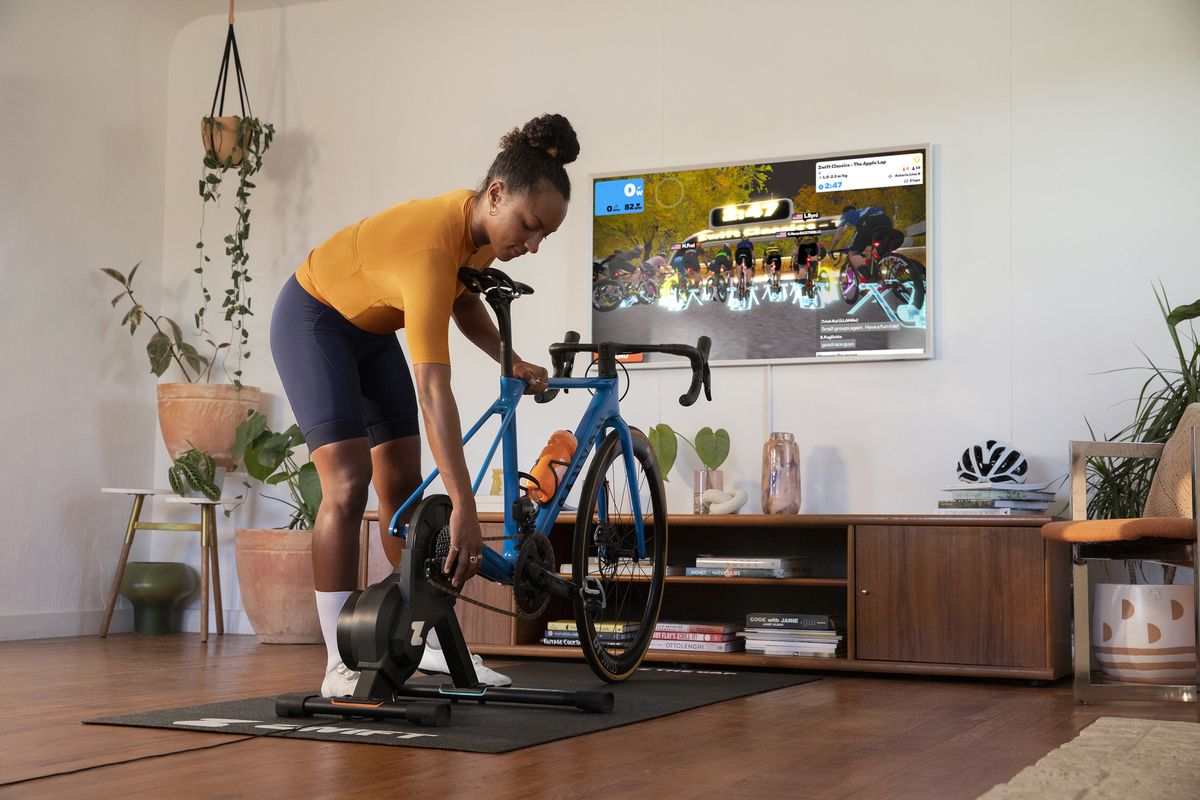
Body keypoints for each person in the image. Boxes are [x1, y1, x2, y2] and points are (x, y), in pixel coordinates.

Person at [270, 114, 579, 697]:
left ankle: (426, 643)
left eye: (545, 238)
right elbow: (434, 390)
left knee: (403, 488)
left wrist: (508, 360)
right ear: (495, 194)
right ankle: (340, 658)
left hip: (370, 328)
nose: (532, 246)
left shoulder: (480, 234)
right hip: (313, 318)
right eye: (531, 226)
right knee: (347, 483)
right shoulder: (431, 249)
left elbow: (462, 304)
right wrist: (463, 503)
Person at [827, 205, 894, 279]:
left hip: (869, 222)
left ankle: (870, 278)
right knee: (869, 249)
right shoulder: (861, 212)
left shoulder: (847, 215)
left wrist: (832, 248)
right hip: (886, 220)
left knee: (853, 254)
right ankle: (878, 273)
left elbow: (838, 235)